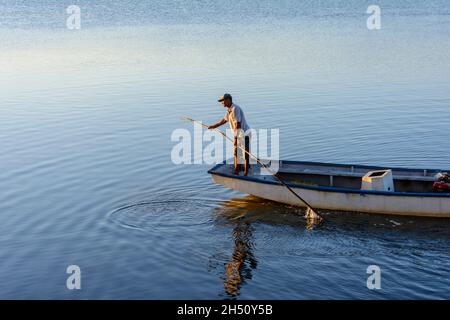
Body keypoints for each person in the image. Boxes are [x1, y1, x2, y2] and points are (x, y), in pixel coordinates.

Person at [207, 93, 251, 176]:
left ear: (228, 100)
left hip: (244, 134)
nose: (222, 103)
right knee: (236, 153)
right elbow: (224, 120)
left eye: (223, 101)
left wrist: (236, 138)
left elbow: (238, 124)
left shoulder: (235, 109)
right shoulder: (229, 110)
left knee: (244, 153)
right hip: (239, 134)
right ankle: (237, 170)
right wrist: (214, 126)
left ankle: (246, 172)